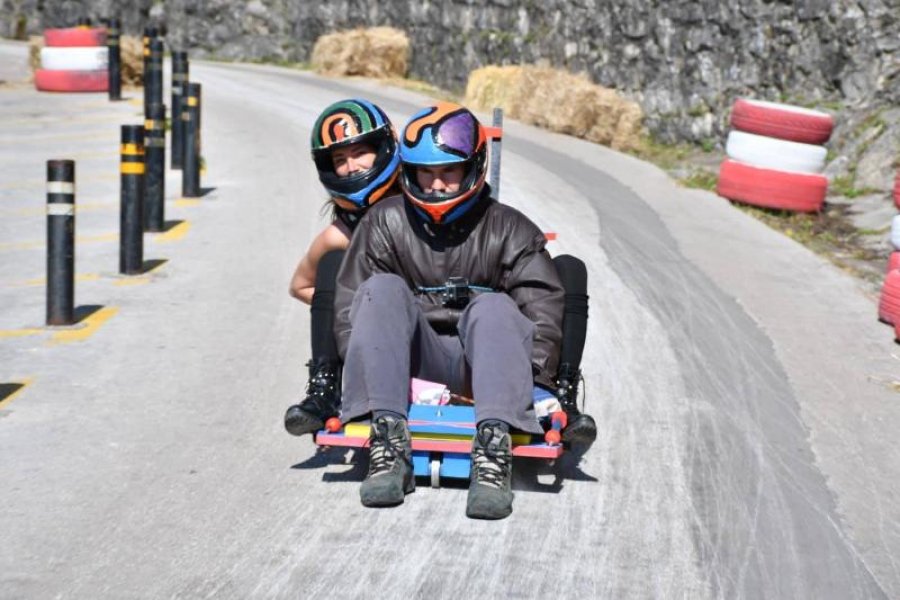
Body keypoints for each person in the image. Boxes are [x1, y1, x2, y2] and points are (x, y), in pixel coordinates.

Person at [333, 102, 569, 520]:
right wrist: (367, 372)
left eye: (448, 172)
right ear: (409, 171)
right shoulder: (383, 223)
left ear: (473, 167)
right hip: (410, 363)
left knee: (494, 306)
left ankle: (493, 451)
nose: (436, 185)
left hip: (486, 369)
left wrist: (528, 384)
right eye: (425, 173)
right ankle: (389, 448)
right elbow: (353, 308)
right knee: (380, 290)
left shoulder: (510, 229)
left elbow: (541, 313)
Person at [283, 98, 401, 437]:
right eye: (339, 159)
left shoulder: (423, 194)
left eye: (360, 152)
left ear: (383, 147)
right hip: (385, 333)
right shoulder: (339, 235)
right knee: (332, 264)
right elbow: (300, 286)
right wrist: (358, 311)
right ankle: (323, 389)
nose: (351, 167)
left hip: (440, 325)